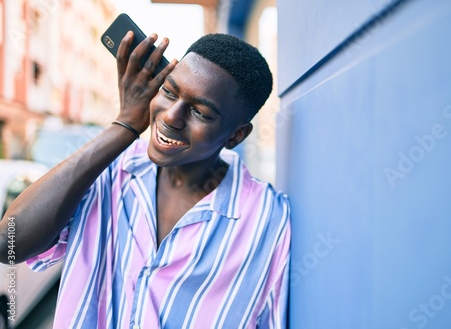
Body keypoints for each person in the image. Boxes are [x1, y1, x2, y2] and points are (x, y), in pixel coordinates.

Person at [0, 31, 290, 328]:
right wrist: (125, 124)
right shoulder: (109, 172)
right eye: (169, 92)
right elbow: (9, 243)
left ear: (236, 134)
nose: (170, 117)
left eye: (199, 112)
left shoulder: (268, 220)